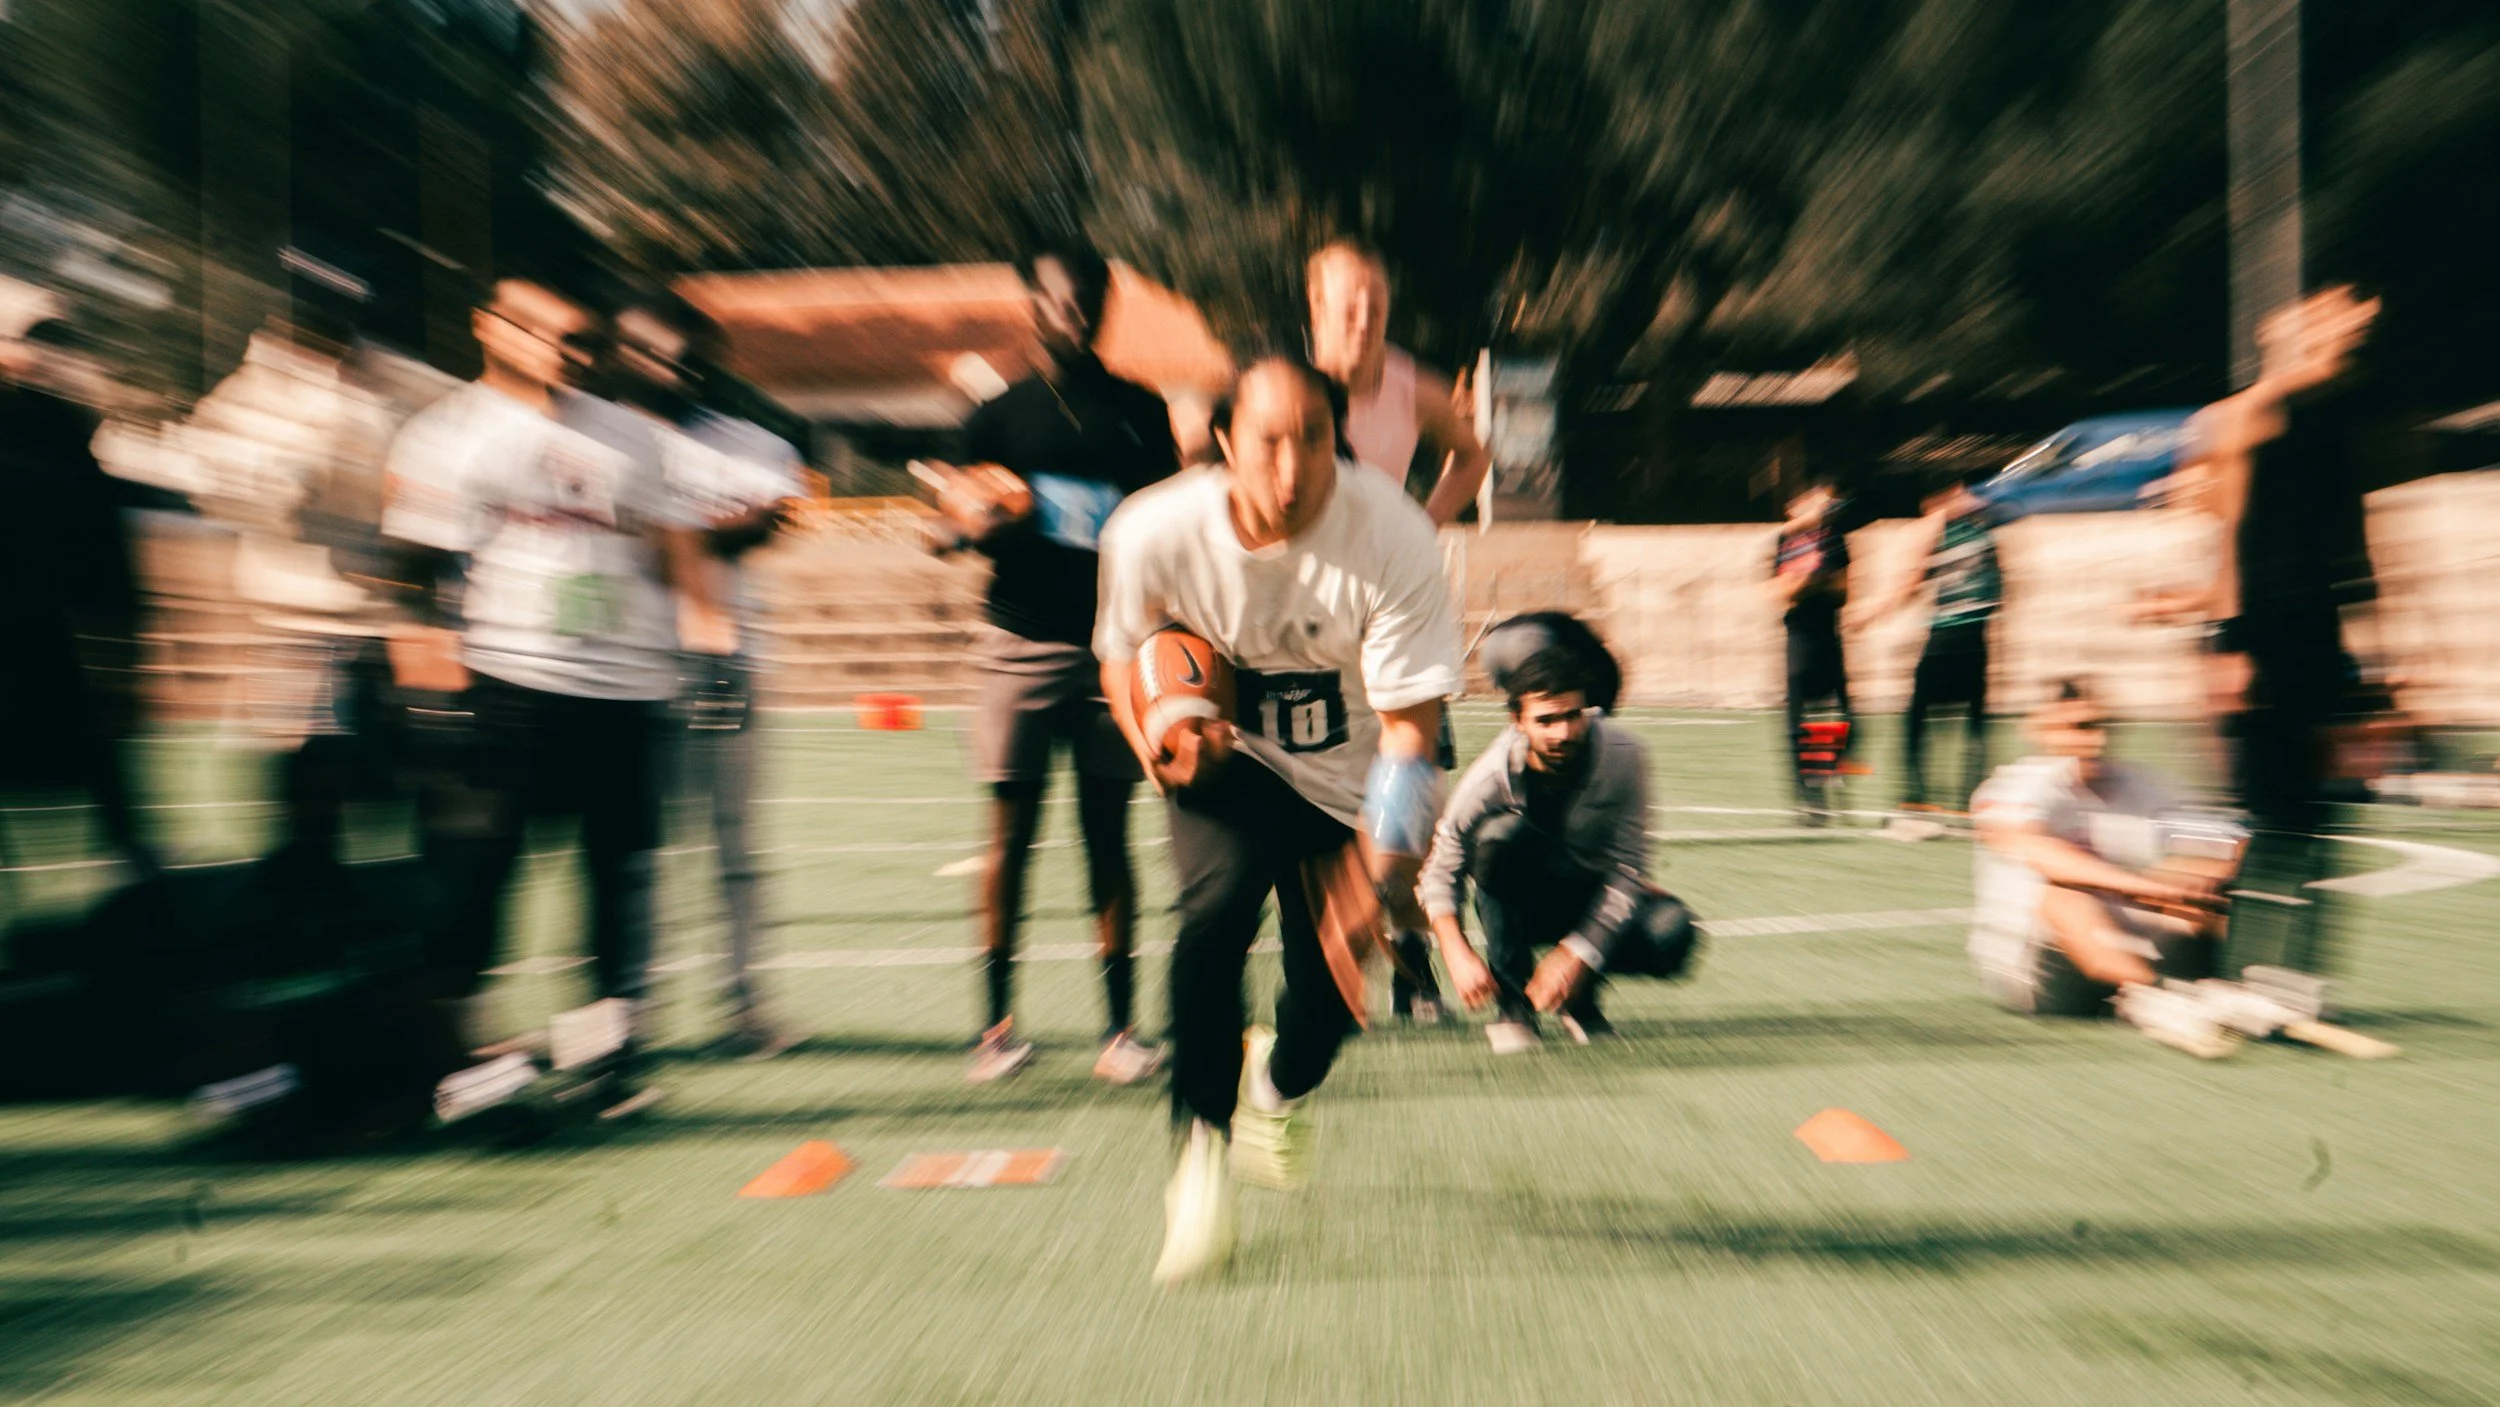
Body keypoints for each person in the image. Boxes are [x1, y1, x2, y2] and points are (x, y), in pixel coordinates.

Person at [1096, 354, 1463, 1286]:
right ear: (1225, 442)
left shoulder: (1392, 532)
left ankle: (1276, 1087)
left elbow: (1411, 734)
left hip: (1349, 784)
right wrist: (1158, 738)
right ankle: (1199, 1157)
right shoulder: (1153, 529)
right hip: (1231, 762)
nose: (1291, 469)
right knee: (1211, 916)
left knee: (1330, 1003)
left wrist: (1380, 878)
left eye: (1313, 439)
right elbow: (1122, 653)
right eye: (1267, 441)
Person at [377, 276, 715, 1069]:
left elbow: (678, 549)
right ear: (490, 329)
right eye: (551, 335)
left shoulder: (633, 435)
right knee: (480, 875)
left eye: (583, 341)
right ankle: (463, 1051)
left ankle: (606, 1051)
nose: (570, 354)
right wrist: (427, 682)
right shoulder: (445, 432)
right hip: (511, 676)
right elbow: (410, 570)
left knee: (618, 879)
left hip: (627, 687)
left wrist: (708, 647)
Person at [924, 246, 1178, 1085]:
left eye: (1084, 305)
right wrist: (984, 517)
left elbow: (1168, 526)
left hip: (1112, 648)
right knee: (1011, 838)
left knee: (1109, 837)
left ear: (1103, 309)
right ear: (1032, 307)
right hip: (1018, 645)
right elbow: (942, 530)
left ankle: (1120, 1028)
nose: (1070, 318)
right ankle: (994, 1028)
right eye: (1056, 304)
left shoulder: (1140, 410)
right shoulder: (998, 417)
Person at [2147, 285, 2384, 974]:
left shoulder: (2339, 420)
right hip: (2258, 637)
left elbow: (2359, 549)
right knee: (2256, 817)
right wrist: (2230, 645)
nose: (2350, 347)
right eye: (2338, 334)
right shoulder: (2243, 417)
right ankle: (2229, 969)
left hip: (2321, 637)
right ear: (2293, 342)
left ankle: (2300, 978)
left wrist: (2377, 663)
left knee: (2324, 814)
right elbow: (2231, 542)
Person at [611, 292, 810, 1057]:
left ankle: (744, 1004)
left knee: (734, 847)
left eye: (687, 358)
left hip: (726, 664)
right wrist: (690, 530)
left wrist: (661, 528)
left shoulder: (750, 442)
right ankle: (630, 1012)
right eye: (651, 352)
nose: (670, 369)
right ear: (619, 352)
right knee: (634, 850)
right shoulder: (592, 432)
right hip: (624, 668)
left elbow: (763, 519)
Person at [1305, 235, 1492, 1021]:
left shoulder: (1411, 385)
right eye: (1349, 303)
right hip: (1311, 618)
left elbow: (1472, 457)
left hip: (1397, 610)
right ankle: (1327, 961)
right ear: (1315, 307)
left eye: (1377, 304)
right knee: (1324, 799)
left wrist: (1421, 520)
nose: (1365, 317)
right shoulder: (1288, 391)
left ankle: (1413, 961)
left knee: (1412, 799)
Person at [1420, 640, 1698, 1053]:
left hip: (1587, 894)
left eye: (1572, 716)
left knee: (1670, 931)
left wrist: (1576, 952)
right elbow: (1442, 868)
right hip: (1522, 899)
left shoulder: (1625, 757)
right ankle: (1514, 1004)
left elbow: (1629, 868)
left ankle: (1580, 997)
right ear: (1518, 721)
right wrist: (1456, 952)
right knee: (1499, 838)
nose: (1563, 732)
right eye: (1546, 720)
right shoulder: (1489, 778)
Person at [0, 294, 160, 881]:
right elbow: (109, 567)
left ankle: (134, 875)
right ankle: (137, 879)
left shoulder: (52, 440)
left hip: (35, 630)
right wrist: (127, 657)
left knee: (93, 759)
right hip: (55, 633)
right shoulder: (72, 446)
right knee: (100, 761)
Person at [1968, 680, 2222, 1017]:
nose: (2096, 739)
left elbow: (2223, 846)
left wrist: (2190, 879)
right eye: (2078, 727)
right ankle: (2154, 1000)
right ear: (2040, 731)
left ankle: (2238, 987)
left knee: (2205, 888)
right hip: (2040, 967)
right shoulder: (2014, 786)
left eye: (2102, 725)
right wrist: (2151, 887)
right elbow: (2041, 854)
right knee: (2063, 894)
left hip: (2128, 935)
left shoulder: (2145, 784)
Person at [1863, 467, 2003, 830]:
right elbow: (2001, 587)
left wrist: (1873, 612)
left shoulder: (1941, 527)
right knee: (1974, 721)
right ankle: (1969, 797)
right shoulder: (1984, 527)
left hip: (1946, 637)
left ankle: (1916, 794)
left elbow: (1910, 582)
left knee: (1917, 720)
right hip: (1978, 637)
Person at [1768, 474, 1856, 810]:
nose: (1824, 506)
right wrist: (1807, 578)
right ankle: (1809, 797)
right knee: (1798, 722)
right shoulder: (1785, 541)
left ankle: (1832, 771)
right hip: (1799, 637)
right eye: (1816, 500)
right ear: (1795, 507)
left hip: (1829, 635)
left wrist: (1813, 579)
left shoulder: (1834, 538)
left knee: (1844, 716)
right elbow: (1779, 593)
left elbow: (1843, 591)